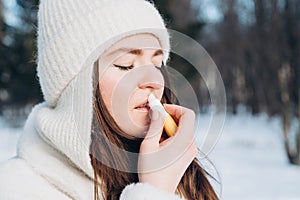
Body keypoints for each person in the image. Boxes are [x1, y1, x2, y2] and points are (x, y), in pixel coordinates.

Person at [0, 0, 218, 199]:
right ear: (75, 88)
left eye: (157, 64)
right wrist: (154, 192)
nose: (154, 81)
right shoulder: (18, 189)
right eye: (126, 65)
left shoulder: (175, 170)